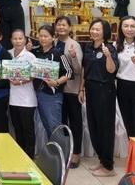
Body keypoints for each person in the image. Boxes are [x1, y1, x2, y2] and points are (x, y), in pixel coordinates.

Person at [79, 19, 118, 177]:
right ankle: (102, 160)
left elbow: (111, 70)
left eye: (98, 29)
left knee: (105, 128)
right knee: (94, 126)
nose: (94, 32)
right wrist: (81, 88)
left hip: (105, 91)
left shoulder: (110, 48)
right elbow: (84, 69)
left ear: (105, 32)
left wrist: (108, 56)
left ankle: (109, 167)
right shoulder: (88, 47)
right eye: (93, 29)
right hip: (90, 89)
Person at [32, 25, 72, 138]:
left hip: (52, 95)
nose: (43, 38)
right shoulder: (36, 52)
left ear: (53, 37)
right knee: (46, 126)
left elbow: (69, 72)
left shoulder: (58, 53)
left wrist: (57, 82)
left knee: (54, 128)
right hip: (38, 93)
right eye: (41, 36)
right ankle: (53, 149)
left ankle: (61, 149)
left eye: (46, 36)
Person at [54, 16, 83, 168]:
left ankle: (76, 154)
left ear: (70, 28)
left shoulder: (74, 45)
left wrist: (73, 57)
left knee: (75, 122)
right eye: (59, 25)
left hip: (71, 89)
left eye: (64, 25)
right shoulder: (53, 42)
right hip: (56, 89)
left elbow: (78, 70)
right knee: (61, 122)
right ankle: (65, 151)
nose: (61, 27)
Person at [8, 29, 37, 158]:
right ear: (11, 40)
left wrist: (20, 81)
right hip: (13, 99)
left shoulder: (30, 56)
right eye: (15, 38)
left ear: (25, 40)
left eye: (20, 38)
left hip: (27, 100)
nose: (18, 41)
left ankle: (30, 157)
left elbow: (34, 74)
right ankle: (21, 156)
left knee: (28, 130)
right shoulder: (8, 54)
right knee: (17, 129)